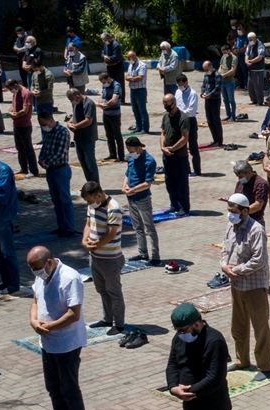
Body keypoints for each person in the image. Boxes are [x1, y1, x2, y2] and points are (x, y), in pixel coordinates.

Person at [28, 245, 108, 410]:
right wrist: (34, 322)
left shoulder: (70, 278)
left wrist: (49, 326)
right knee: (53, 388)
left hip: (67, 343)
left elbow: (73, 315)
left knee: (69, 389)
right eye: (32, 268)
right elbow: (35, 301)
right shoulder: (41, 277)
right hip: (48, 341)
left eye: (37, 268)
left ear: (49, 261)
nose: (35, 272)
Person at [220, 194, 270, 380]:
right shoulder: (230, 226)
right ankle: (242, 360)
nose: (231, 215)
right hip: (236, 284)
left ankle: (265, 366)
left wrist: (238, 270)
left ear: (245, 211)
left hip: (254, 285)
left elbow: (258, 260)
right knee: (238, 326)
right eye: (229, 211)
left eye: (234, 212)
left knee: (260, 328)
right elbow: (225, 250)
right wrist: (224, 266)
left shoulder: (256, 230)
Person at [79, 181, 126, 335]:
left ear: (98, 195)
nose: (89, 204)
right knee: (102, 290)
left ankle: (119, 324)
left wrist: (96, 244)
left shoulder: (113, 208)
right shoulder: (92, 205)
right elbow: (88, 224)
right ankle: (107, 318)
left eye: (90, 201)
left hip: (110, 258)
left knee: (114, 292)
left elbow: (111, 233)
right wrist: (85, 241)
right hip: (95, 257)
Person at [36, 111, 76, 235]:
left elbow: (60, 152)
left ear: (51, 120)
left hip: (60, 170)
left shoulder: (62, 132)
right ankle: (61, 225)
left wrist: (46, 162)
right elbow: (44, 148)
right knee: (56, 200)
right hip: (51, 171)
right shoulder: (48, 133)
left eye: (44, 124)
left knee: (65, 200)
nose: (44, 127)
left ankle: (69, 228)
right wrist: (41, 160)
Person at [120, 137, 159, 266]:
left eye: (132, 151)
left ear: (139, 148)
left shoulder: (149, 161)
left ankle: (155, 256)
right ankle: (142, 253)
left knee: (149, 228)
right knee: (137, 228)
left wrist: (133, 189)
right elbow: (127, 174)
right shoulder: (131, 158)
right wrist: (124, 186)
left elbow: (147, 183)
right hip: (131, 199)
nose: (130, 154)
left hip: (142, 199)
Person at [0, 159, 20, 295]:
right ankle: (6, 281)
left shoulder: (3, 171)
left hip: (3, 217)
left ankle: (13, 285)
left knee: (7, 251)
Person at [7, 78, 39, 177]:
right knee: (20, 148)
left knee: (28, 149)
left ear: (16, 85)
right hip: (16, 125)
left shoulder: (26, 93)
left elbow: (25, 110)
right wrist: (10, 112)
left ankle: (33, 170)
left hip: (24, 125)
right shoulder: (15, 93)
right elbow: (13, 105)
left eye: (11, 88)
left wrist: (16, 115)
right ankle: (23, 168)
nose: (11, 90)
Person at [68, 88, 100, 185]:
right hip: (78, 138)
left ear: (77, 96)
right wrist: (69, 123)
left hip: (88, 138)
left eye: (73, 99)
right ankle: (89, 184)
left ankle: (95, 185)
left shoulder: (89, 103)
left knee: (90, 164)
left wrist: (75, 127)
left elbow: (88, 121)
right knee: (83, 163)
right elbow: (74, 115)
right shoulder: (76, 103)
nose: (72, 102)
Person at [173, 75, 201, 177]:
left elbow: (190, 111)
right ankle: (186, 169)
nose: (180, 86)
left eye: (181, 84)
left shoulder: (192, 94)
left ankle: (197, 170)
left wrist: (178, 112)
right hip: (180, 121)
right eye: (178, 84)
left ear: (186, 82)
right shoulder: (177, 92)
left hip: (190, 121)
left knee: (193, 147)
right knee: (181, 147)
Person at [96, 70, 125, 161]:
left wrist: (105, 106)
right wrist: (100, 102)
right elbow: (102, 95)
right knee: (109, 135)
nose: (103, 84)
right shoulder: (105, 85)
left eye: (104, 82)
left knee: (117, 135)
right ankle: (112, 154)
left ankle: (121, 156)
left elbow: (114, 99)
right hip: (106, 114)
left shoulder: (116, 86)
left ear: (108, 79)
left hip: (114, 114)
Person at [233, 159, 269, 226]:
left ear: (249, 173)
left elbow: (258, 205)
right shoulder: (240, 183)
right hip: (240, 219)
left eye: (241, 176)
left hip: (254, 221)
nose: (239, 179)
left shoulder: (260, 184)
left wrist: (242, 212)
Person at [217, 45, 236, 124]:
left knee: (231, 100)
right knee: (225, 100)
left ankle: (233, 116)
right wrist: (218, 74)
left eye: (225, 52)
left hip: (230, 81)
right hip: (223, 82)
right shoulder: (223, 57)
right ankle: (228, 115)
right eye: (222, 52)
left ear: (229, 50)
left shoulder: (234, 58)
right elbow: (221, 66)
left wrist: (224, 75)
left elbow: (232, 70)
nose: (224, 53)